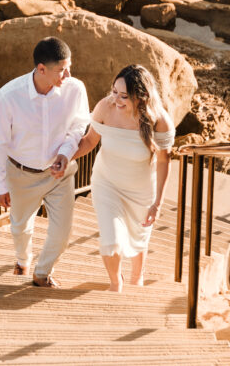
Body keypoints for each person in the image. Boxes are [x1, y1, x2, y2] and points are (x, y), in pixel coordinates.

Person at [0, 37, 89, 288]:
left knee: (63, 233)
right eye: (61, 70)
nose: (67, 74)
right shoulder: (8, 96)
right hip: (21, 174)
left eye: (69, 67)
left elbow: (79, 125)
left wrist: (66, 154)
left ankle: (42, 273)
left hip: (60, 175)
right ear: (41, 69)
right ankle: (22, 260)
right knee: (20, 227)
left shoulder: (75, 88)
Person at [73, 64, 175, 292]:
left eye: (124, 96)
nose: (116, 100)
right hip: (106, 182)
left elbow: (163, 161)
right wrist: (64, 156)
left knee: (139, 235)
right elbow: (89, 141)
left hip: (141, 190)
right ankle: (115, 283)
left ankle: (137, 278)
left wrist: (157, 203)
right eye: (114, 92)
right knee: (111, 241)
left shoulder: (159, 121)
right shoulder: (105, 107)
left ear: (141, 97)